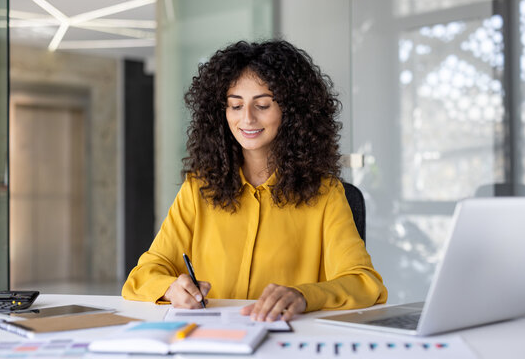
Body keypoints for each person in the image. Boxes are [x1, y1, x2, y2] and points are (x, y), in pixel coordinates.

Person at [122, 40, 387, 322]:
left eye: (262, 105)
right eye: (235, 106)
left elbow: (365, 283)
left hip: (288, 342)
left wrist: (305, 295)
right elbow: (141, 277)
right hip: (212, 341)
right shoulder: (198, 189)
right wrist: (171, 288)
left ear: (293, 112)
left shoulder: (326, 193)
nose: (247, 118)